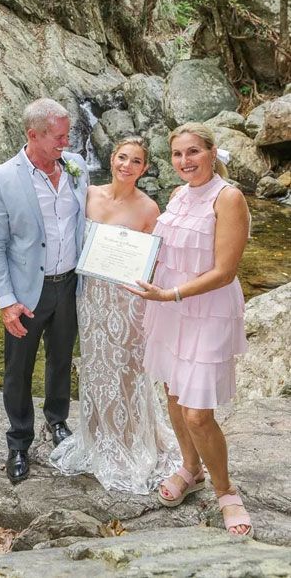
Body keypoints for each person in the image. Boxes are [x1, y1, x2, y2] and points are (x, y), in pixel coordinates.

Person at [125, 123, 252, 537]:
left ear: (212, 153)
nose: (185, 162)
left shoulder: (228, 198)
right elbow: (165, 250)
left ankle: (226, 490)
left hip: (205, 308)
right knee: (175, 394)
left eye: (193, 152)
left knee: (199, 412)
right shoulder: (178, 195)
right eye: (178, 154)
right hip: (171, 307)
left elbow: (224, 271)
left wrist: (170, 294)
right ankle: (190, 468)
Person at [50, 137, 180, 493]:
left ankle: (130, 439)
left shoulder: (149, 208)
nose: (127, 165)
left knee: (127, 367)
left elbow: (154, 262)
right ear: (111, 159)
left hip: (126, 301)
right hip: (90, 297)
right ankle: (97, 437)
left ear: (144, 168)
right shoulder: (88, 193)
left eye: (136, 161)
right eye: (122, 157)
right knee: (95, 365)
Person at [0, 98, 88, 483]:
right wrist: (6, 301)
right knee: (18, 370)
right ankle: (18, 441)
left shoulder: (76, 168)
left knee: (61, 359)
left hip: (70, 285)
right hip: (28, 292)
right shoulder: (3, 177)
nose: (67, 142)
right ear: (34, 135)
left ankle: (57, 422)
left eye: (68, 134)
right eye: (59, 136)